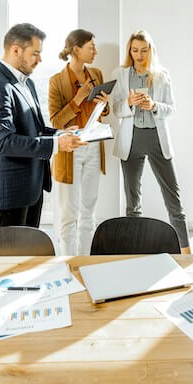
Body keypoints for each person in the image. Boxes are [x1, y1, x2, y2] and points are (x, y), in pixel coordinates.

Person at [0, 23, 84, 228]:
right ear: (16, 50)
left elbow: (36, 129)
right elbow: (3, 142)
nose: (40, 59)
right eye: (35, 53)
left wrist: (61, 133)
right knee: (7, 258)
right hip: (9, 194)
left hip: (31, 188)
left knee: (29, 254)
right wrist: (56, 145)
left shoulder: (27, 83)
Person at [112, 30, 190, 253]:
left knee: (173, 200)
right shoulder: (120, 74)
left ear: (150, 50)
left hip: (156, 138)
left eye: (143, 50)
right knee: (132, 201)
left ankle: (186, 252)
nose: (139, 55)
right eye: (134, 50)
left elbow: (171, 109)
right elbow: (116, 110)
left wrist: (154, 105)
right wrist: (128, 101)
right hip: (132, 139)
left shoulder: (162, 75)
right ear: (130, 51)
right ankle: (134, 251)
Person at [49, 29, 110, 255]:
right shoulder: (56, 82)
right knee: (69, 213)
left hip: (93, 146)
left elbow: (104, 112)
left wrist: (104, 103)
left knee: (89, 210)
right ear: (76, 49)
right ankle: (67, 263)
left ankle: (84, 261)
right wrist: (77, 100)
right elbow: (55, 121)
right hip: (70, 149)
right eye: (91, 46)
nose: (95, 51)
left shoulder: (97, 74)